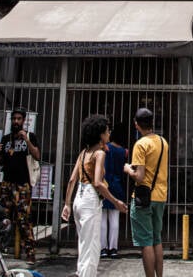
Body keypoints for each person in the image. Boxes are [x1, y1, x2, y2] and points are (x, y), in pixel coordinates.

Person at [61, 114, 127, 277]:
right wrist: (116, 201)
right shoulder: (99, 154)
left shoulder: (84, 153)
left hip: (78, 198)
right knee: (91, 247)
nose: (109, 133)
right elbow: (97, 183)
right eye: (107, 131)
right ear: (100, 134)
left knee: (84, 243)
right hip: (90, 199)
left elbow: (71, 180)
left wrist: (67, 204)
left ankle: (80, 272)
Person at [124, 108, 169, 277]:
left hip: (144, 198)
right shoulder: (163, 142)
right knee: (157, 239)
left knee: (146, 242)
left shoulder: (141, 144)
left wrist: (128, 169)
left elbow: (140, 177)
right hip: (160, 196)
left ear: (136, 124)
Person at [0, 107, 40, 263]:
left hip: (22, 184)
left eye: (19, 119)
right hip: (7, 183)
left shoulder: (30, 136)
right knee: (3, 216)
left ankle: (29, 251)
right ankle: (0, 249)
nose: (16, 121)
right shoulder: (6, 139)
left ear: (23, 120)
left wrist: (27, 140)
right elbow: (1, 162)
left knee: (24, 219)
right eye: (13, 119)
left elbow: (37, 155)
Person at [100, 122, 129, 259]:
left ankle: (103, 248)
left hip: (105, 183)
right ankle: (113, 248)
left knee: (102, 218)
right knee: (114, 218)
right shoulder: (124, 151)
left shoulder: (106, 148)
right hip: (117, 185)